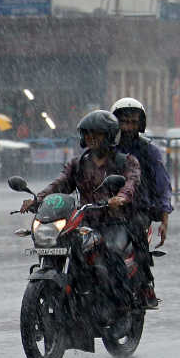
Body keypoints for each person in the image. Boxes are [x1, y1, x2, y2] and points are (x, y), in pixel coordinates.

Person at [21, 110, 141, 306]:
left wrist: (120, 198)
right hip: (83, 222)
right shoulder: (78, 163)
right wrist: (37, 199)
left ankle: (121, 304)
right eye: (87, 133)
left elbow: (131, 183)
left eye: (97, 133)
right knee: (62, 246)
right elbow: (59, 184)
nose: (91, 138)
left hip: (115, 221)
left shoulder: (126, 162)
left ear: (109, 135)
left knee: (111, 256)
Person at [111, 97, 173, 308]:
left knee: (137, 230)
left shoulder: (149, 151)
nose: (128, 127)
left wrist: (164, 219)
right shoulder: (105, 149)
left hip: (137, 209)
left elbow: (163, 185)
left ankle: (145, 284)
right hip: (105, 208)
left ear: (140, 124)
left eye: (132, 122)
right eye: (123, 122)